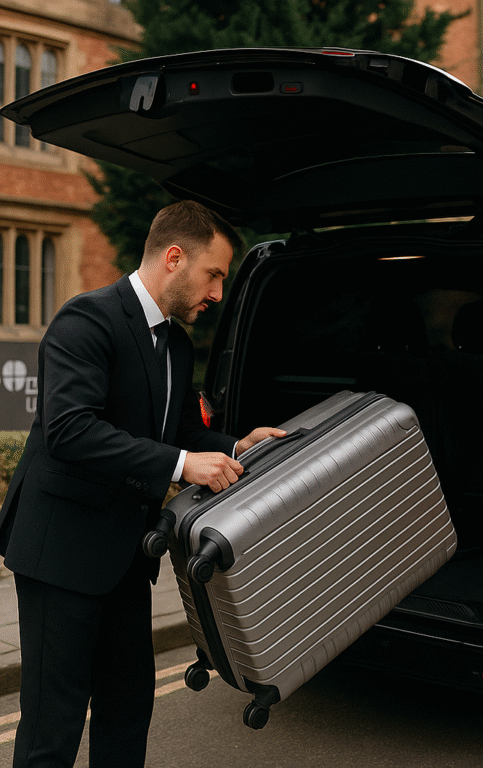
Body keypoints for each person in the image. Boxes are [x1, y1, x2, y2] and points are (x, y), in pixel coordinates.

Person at [0, 200, 287, 768]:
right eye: (214, 275)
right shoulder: (86, 319)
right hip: (60, 558)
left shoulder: (177, 344)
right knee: (49, 734)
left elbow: (179, 429)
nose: (217, 294)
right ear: (174, 258)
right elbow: (70, 430)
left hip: (128, 560)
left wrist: (234, 447)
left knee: (128, 714)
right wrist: (183, 464)